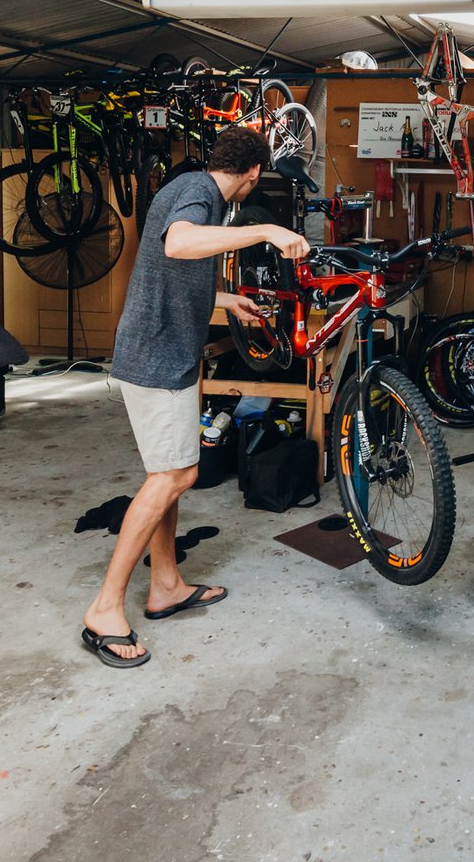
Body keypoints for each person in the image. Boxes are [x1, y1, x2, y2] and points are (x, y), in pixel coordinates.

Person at [81, 126, 309, 668]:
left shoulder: (195, 189)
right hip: (156, 357)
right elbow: (178, 243)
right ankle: (104, 609)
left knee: (172, 469)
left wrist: (228, 300)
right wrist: (269, 232)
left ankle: (165, 585)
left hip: (164, 354)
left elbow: (176, 268)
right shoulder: (200, 194)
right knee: (175, 476)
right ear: (253, 173)